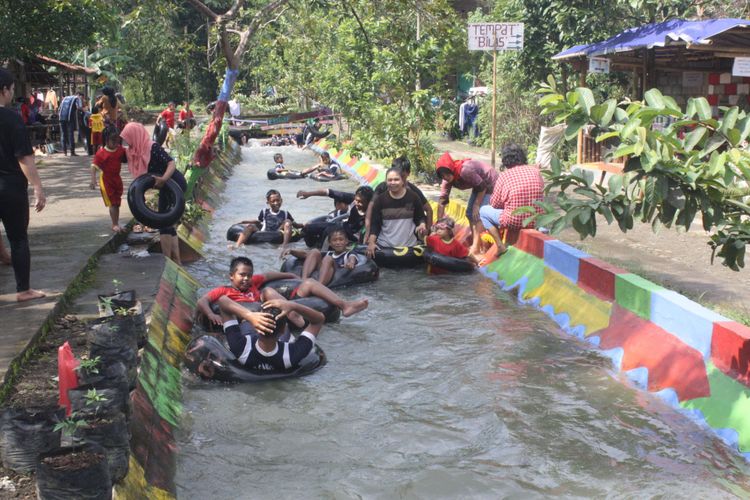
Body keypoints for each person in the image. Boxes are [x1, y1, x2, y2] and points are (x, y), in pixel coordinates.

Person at [197, 256, 368, 331]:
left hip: (277, 305)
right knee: (267, 291)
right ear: (231, 276)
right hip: (256, 314)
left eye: (249, 275)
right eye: (242, 275)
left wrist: (291, 276)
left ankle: (345, 306)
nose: (246, 279)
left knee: (308, 283)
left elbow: (269, 275)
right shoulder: (224, 290)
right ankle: (293, 315)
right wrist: (211, 313)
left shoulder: (254, 282)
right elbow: (202, 301)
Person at [0, 68, 46, 301]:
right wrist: (38, 187)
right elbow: (24, 158)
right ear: (5, 90)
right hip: (10, 188)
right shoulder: (12, 119)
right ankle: (23, 290)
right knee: (18, 238)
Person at [120, 122, 187, 264]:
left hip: (174, 183)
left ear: (135, 136)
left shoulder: (152, 147)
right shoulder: (134, 151)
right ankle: (177, 260)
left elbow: (171, 163)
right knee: (169, 223)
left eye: (128, 138)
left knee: (164, 223)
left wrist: (163, 179)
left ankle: (167, 261)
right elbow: (114, 154)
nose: (127, 142)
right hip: (165, 186)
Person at [216, 296, 324, 372]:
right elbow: (319, 320)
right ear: (282, 330)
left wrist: (249, 316)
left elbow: (223, 301)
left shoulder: (240, 347)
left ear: (256, 327)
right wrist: (293, 305)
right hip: (280, 348)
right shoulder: (292, 355)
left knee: (245, 324)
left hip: (249, 333)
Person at [479, 143, 545, 255]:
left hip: (514, 221)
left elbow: (495, 204)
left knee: (483, 211)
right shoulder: (535, 171)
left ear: (505, 160)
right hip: (537, 219)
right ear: (522, 157)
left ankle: (500, 246)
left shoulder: (504, 176)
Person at [435, 152, 499, 255]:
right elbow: (442, 200)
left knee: (478, 214)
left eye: (447, 174)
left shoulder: (465, 170)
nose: (446, 177)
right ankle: (476, 242)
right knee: (469, 213)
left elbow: (482, 187)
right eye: (443, 176)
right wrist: (438, 223)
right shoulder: (446, 181)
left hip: (491, 183)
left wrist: (477, 205)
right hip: (479, 186)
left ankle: (477, 247)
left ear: (451, 169)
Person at [364, 156, 433, 240]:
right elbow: (371, 208)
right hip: (386, 235)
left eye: (401, 177)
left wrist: (427, 231)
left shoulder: (413, 193)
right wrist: (368, 231)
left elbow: (428, 209)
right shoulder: (382, 188)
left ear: (408, 174)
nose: (394, 183)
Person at [367, 165, 426, 257]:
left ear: (403, 181)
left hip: (409, 247)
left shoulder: (413, 197)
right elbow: (375, 224)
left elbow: (420, 217)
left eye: (396, 179)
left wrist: (422, 225)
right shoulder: (380, 200)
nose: (393, 182)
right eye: (390, 180)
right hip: (385, 246)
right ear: (386, 182)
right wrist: (371, 242)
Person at [233, 189, 303, 254]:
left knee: (287, 221)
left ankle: (284, 245)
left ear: (281, 200)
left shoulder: (285, 213)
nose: (276, 203)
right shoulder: (264, 211)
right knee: (250, 226)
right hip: (265, 232)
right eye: (273, 201)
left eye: (278, 200)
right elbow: (258, 221)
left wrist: (304, 225)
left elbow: (294, 224)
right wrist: (244, 221)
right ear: (268, 202)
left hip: (278, 232)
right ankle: (237, 245)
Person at [296, 185, 374, 243]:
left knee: (329, 230)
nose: (357, 203)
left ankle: (323, 251)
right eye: (356, 200)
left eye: (361, 202)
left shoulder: (374, 212)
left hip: (354, 236)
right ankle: (315, 246)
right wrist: (309, 194)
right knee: (309, 228)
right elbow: (329, 192)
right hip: (344, 227)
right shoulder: (352, 199)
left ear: (369, 202)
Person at [284, 227, 357, 286]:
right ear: (330, 243)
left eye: (341, 240)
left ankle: (319, 286)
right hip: (322, 271)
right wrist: (291, 251)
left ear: (346, 241)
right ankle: (303, 281)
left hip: (335, 273)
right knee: (314, 251)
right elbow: (306, 255)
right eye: (334, 240)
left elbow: (352, 259)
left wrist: (350, 263)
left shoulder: (349, 254)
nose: (338, 243)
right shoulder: (328, 253)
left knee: (328, 259)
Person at [90, 125, 127, 232]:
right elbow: (93, 166)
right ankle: (114, 224)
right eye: (113, 140)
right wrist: (93, 180)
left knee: (117, 202)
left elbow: (128, 155)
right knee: (112, 203)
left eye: (118, 140)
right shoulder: (101, 153)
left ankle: (117, 223)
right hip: (106, 181)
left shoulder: (120, 150)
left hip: (117, 179)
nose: (116, 143)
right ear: (106, 140)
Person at [58, 92, 82, 156]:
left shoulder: (65, 98)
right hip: (69, 118)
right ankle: (72, 152)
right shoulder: (77, 98)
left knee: (63, 134)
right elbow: (79, 107)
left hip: (61, 118)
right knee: (70, 134)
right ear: (79, 95)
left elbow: (59, 108)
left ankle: (64, 152)